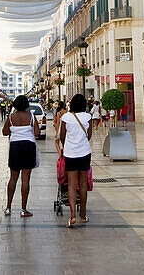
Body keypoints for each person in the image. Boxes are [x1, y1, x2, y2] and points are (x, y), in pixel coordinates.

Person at [59, 93, 94, 228]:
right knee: (83, 184)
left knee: (72, 185)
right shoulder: (87, 117)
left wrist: (67, 145)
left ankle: (73, 215)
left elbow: (62, 136)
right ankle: (83, 215)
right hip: (84, 153)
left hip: (70, 153)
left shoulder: (66, 117)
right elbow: (89, 135)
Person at [3, 94, 40, 217]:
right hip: (28, 146)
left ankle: (8, 208)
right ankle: (24, 209)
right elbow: (37, 133)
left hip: (15, 147)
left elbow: (4, 132)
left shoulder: (11, 117)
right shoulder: (31, 117)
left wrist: (14, 130)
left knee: (13, 178)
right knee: (25, 179)